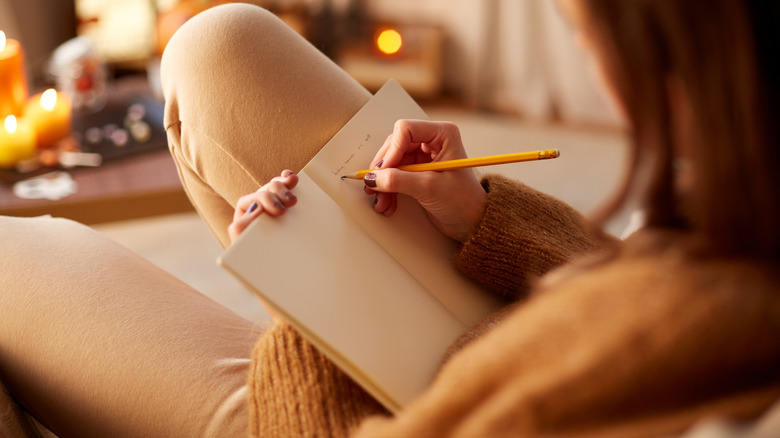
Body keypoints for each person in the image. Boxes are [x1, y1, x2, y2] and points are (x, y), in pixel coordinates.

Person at [1, 1, 778, 437]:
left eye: (583, 32)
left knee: (12, 256)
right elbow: (624, 290)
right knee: (220, 45)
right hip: (493, 329)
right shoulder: (741, 218)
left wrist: (305, 308)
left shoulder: (713, 333)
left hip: (342, 420)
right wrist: (482, 217)